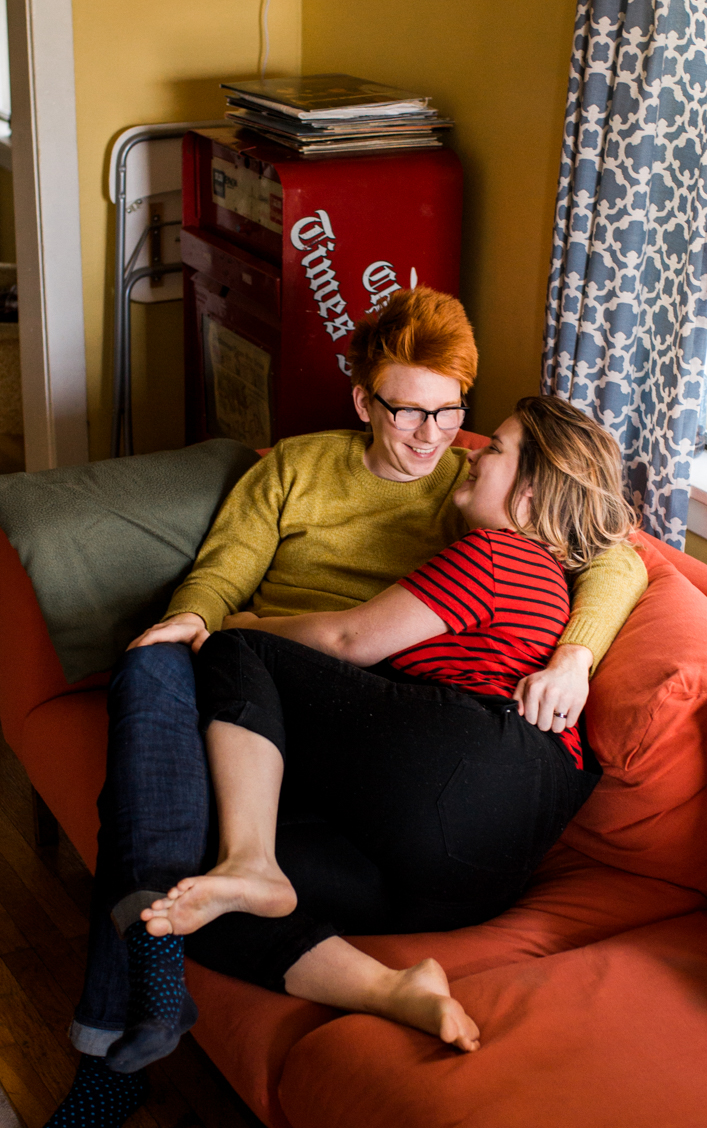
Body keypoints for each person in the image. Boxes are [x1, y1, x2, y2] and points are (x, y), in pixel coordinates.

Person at [48, 288, 647, 1126]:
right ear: (365, 401)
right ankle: (132, 1044)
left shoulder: (478, 498)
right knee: (159, 685)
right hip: (285, 719)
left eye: (452, 414)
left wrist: (577, 655)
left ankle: (118, 1037)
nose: (435, 439)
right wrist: (194, 617)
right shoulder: (294, 468)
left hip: (369, 730)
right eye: (409, 412)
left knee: (204, 767)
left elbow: (613, 552)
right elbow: (223, 577)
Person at [125, 395, 637, 1061]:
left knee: (238, 653)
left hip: (473, 762)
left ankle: (251, 859)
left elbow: (347, 639)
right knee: (185, 890)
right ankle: (392, 988)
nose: (475, 453)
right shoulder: (546, 577)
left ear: (535, 491)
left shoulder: (500, 553)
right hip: (480, 872)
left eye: (498, 450)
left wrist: (239, 627)